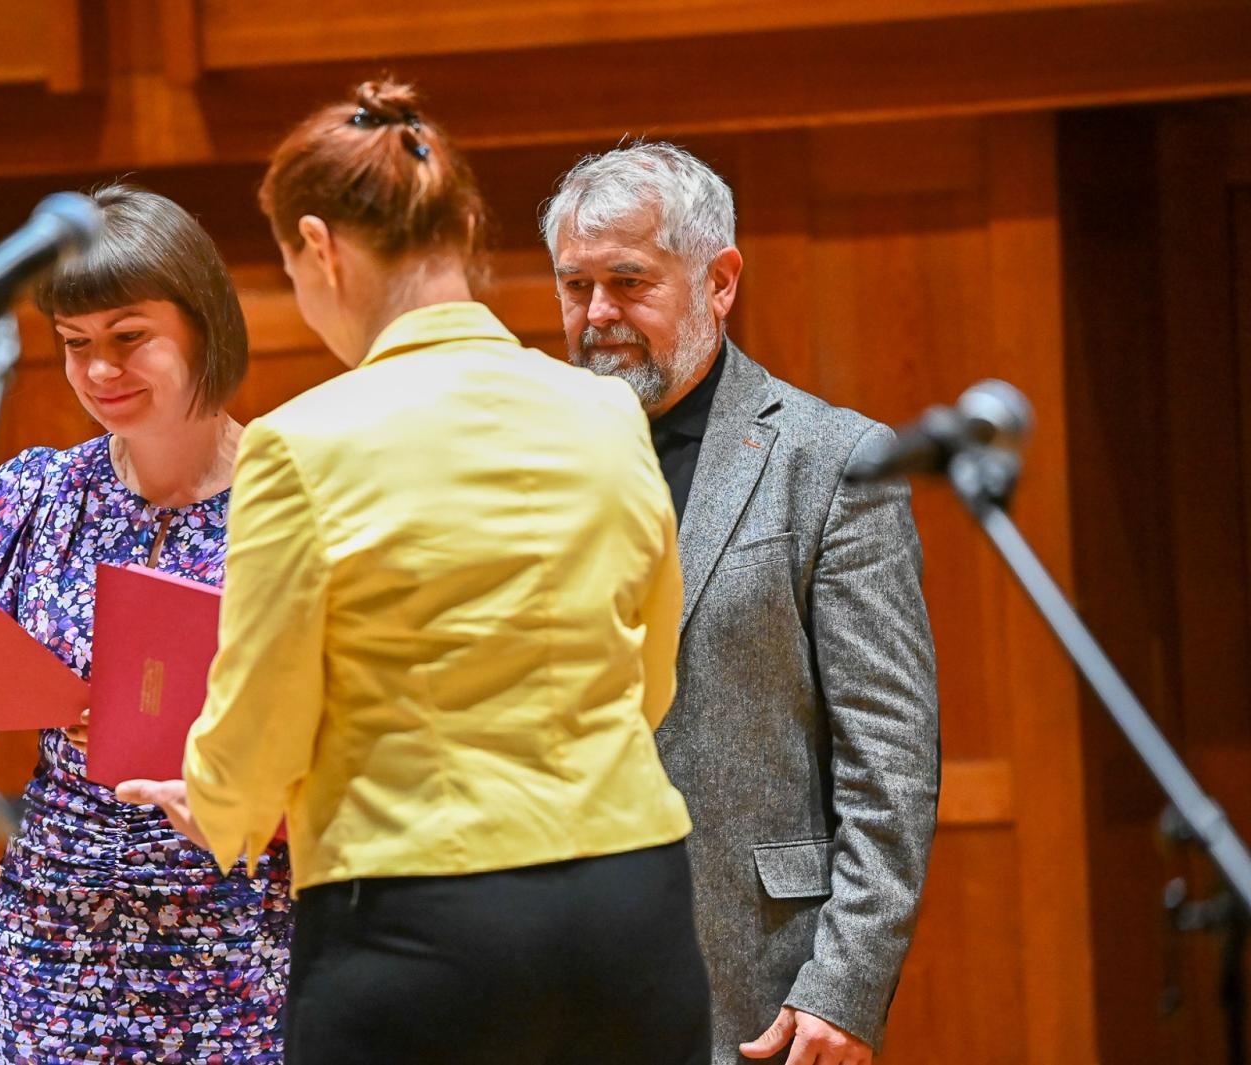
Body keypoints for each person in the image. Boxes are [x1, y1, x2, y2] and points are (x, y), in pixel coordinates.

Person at [118, 82, 711, 1065]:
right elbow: (649, 675)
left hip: (422, 919)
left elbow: (264, 713)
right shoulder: (604, 412)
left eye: (290, 270)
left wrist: (218, 802)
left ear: (319, 247)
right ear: (463, 229)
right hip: (629, 903)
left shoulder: (301, 442)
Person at [541, 143, 939, 1065]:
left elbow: (891, 759)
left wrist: (843, 988)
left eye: (628, 282)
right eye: (575, 286)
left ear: (719, 281)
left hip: (760, 985)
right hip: (559, 982)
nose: (596, 315)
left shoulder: (830, 462)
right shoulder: (529, 464)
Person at [0, 184, 291, 1063]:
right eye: (75, 343)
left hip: (236, 944)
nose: (98, 371)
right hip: (51, 944)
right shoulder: (38, 494)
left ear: (204, 325)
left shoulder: (295, 498)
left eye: (128, 337)